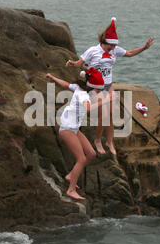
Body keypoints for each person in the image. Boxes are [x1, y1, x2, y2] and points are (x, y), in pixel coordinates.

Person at [66, 17, 154, 155]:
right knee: (104, 115)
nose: (113, 48)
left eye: (114, 46)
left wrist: (144, 47)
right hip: (96, 87)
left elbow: (129, 53)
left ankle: (109, 142)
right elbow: (79, 63)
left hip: (109, 85)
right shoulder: (93, 51)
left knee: (111, 115)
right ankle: (97, 141)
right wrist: (72, 63)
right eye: (110, 46)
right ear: (104, 41)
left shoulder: (114, 50)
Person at [46, 68, 112, 200]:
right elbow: (88, 109)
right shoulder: (83, 95)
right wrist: (105, 101)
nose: (99, 92)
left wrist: (52, 77)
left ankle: (71, 175)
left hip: (74, 128)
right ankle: (71, 190)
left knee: (91, 154)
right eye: (98, 89)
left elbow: (65, 84)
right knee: (81, 159)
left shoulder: (79, 88)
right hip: (67, 129)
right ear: (93, 87)